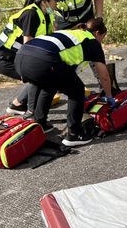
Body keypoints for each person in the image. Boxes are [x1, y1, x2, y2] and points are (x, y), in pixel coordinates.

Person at [14, 18, 113, 147]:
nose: (101, 41)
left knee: (50, 84)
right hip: (43, 60)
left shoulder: (71, 33)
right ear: (98, 33)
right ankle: (74, 135)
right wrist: (109, 96)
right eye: (102, 37)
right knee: (76, 90)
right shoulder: (93, 42)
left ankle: (40, 123)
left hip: (21, 57)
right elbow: (104, 76)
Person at [0, 0, 67, 114]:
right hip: (3, 57)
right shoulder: (31, 14)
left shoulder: (47, 13)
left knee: (43, 73)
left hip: (16, 54)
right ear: (45, 1)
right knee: (38, 75)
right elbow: (28, 47)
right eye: (56, 1)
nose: (57, 4)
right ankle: (32, 114)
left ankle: (18, 105)